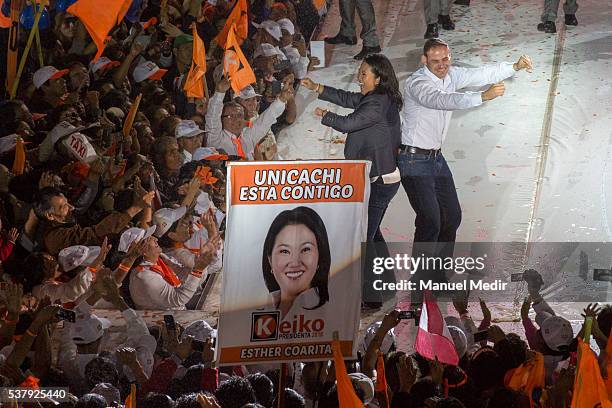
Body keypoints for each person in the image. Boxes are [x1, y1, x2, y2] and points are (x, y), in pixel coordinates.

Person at [398, 39, 533, 296]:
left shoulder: (451, 74)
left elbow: (480, 73)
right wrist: (483, 96)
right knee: (431, 221)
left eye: (445, 59)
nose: (442, 65)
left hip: (435, 159)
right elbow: (442, 100)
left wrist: (514, 66)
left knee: (452, 216)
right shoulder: (418, 83)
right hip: (413, 160)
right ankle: (419, 286)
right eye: (435, 61)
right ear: (424, 61)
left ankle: (437, 277)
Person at [301, 53, 402, 308]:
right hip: (380, 177)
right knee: (373, 232)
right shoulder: (375, 99)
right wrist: (319, 88)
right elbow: (348, 99)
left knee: (364, 238)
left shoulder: (378, 103)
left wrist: (326, 116)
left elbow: (349, 123)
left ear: (378, 79)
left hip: (381, 180)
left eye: (364, 74)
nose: (359, 78)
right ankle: (387, 282)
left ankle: (372, 297)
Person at [261, 206, 331, 319]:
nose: (294, 263)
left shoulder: (332, 318)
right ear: (269, 259)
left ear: (320, 256)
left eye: (305, 249)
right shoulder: (257, 311)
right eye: (284, 251)